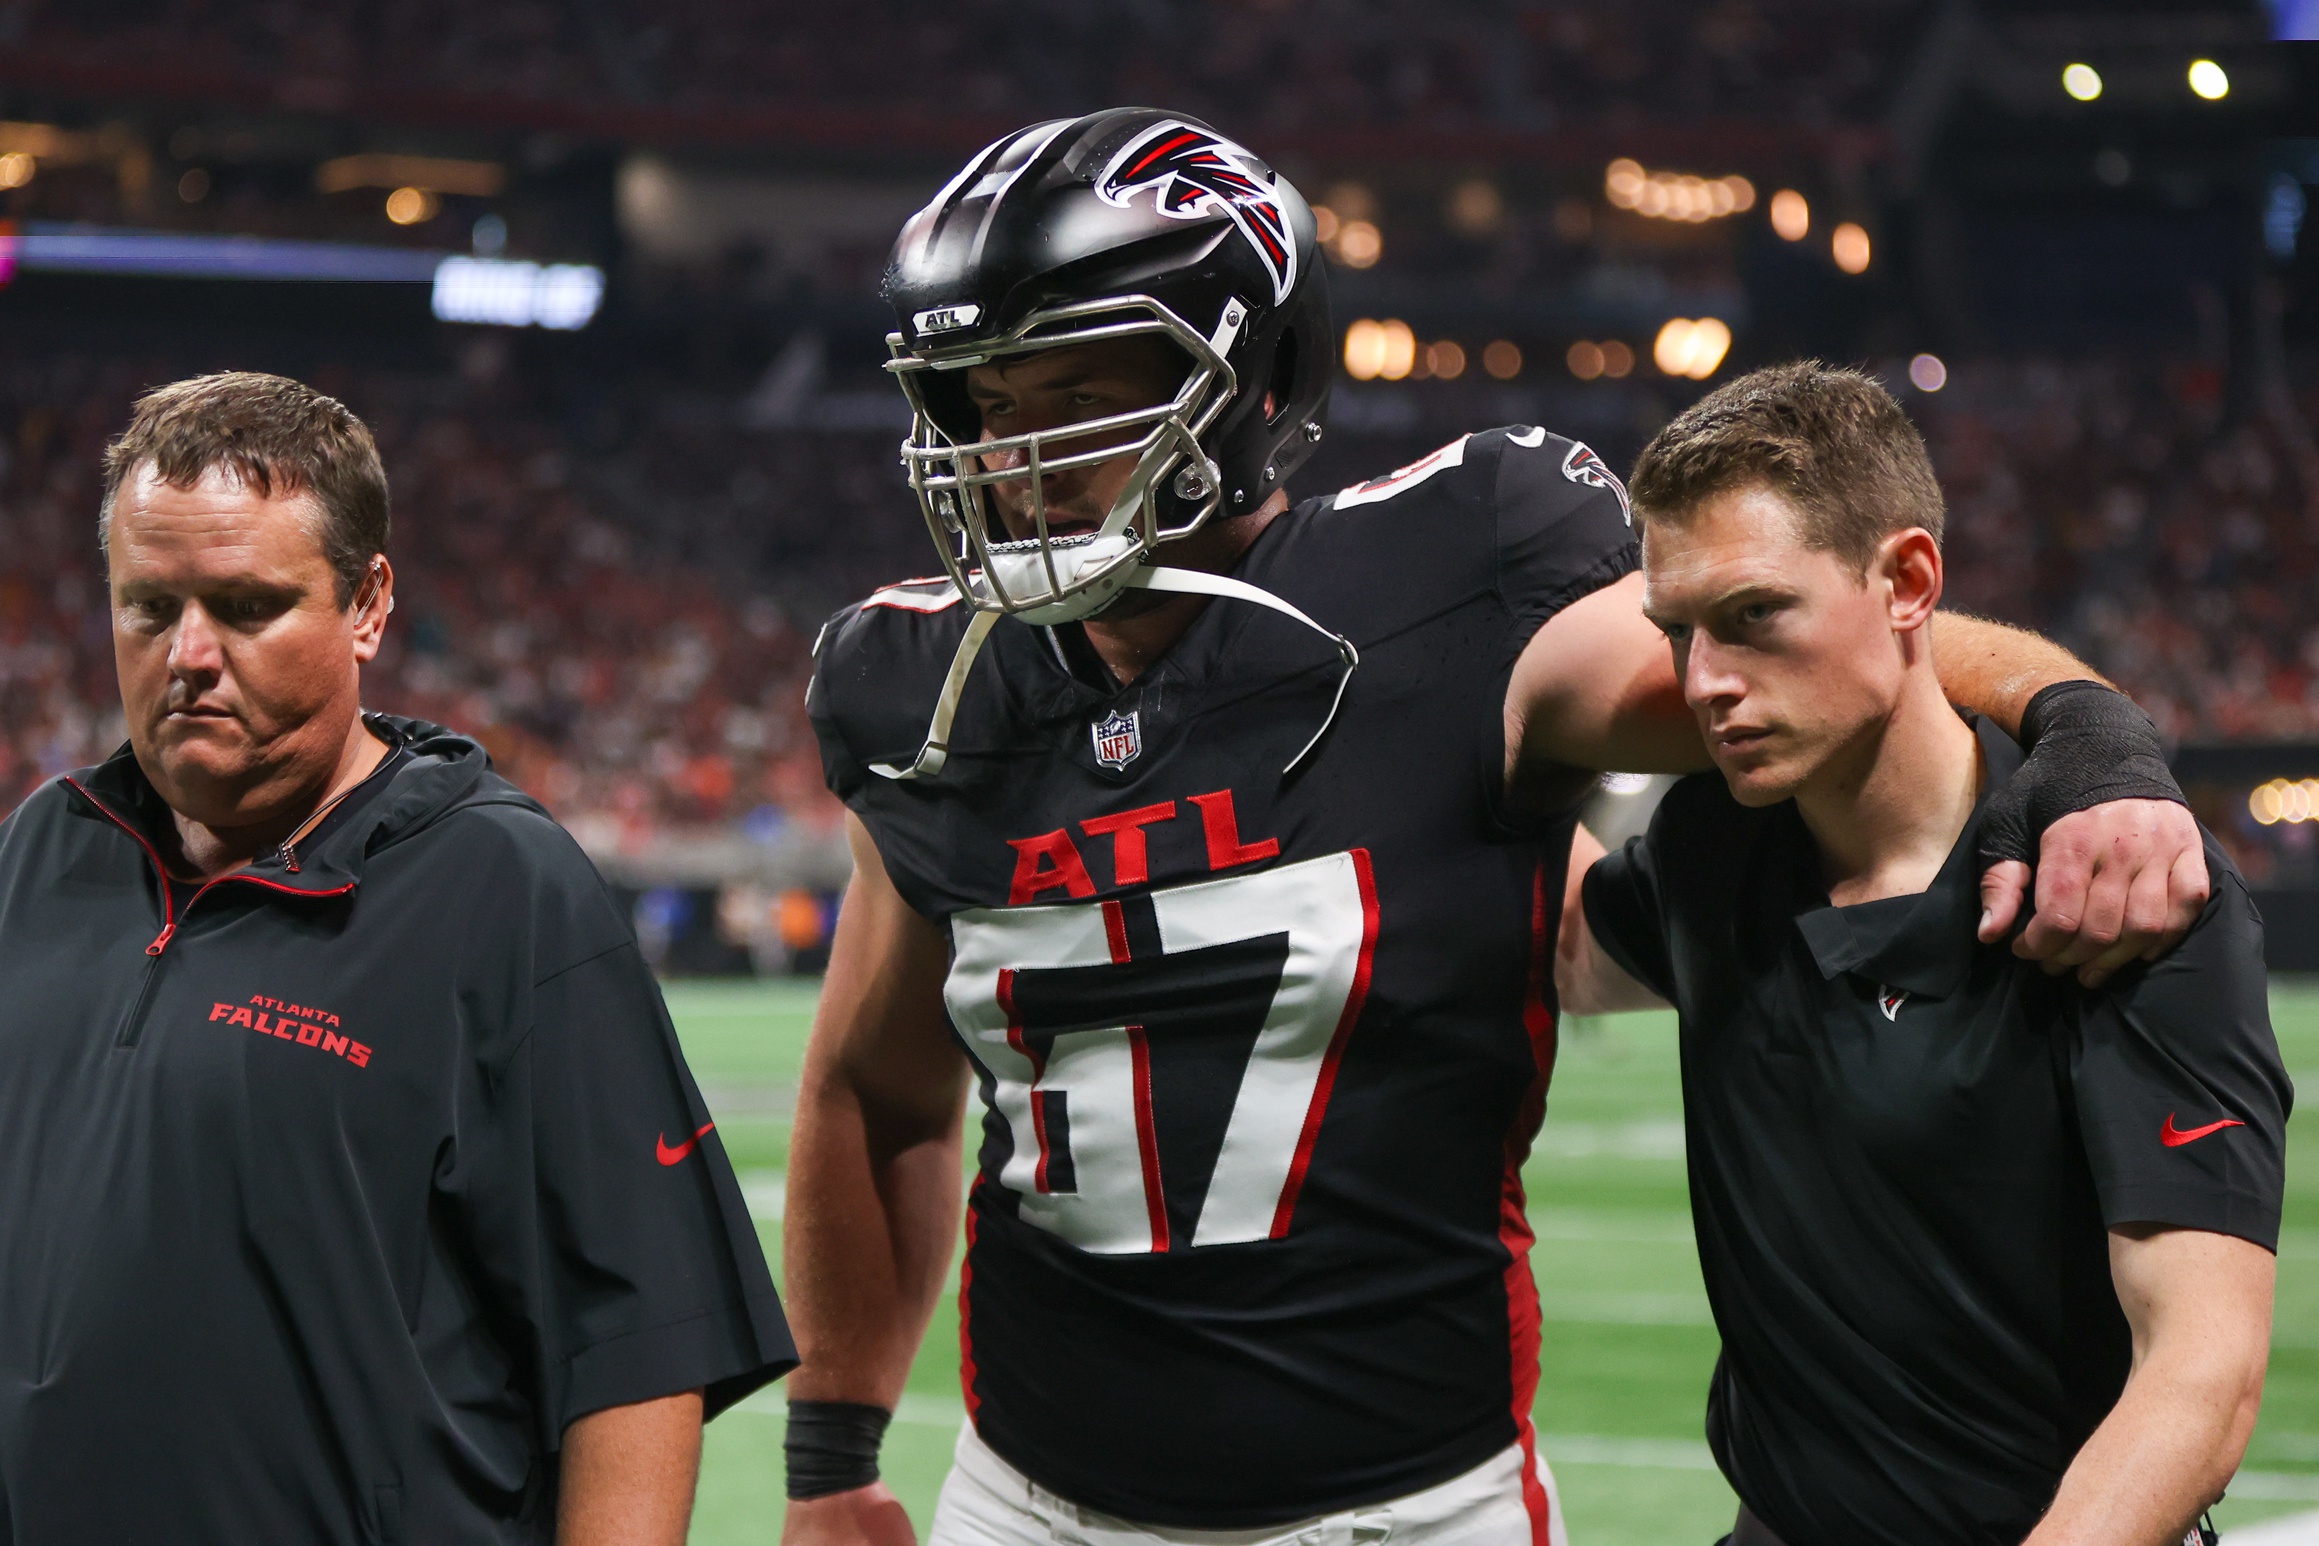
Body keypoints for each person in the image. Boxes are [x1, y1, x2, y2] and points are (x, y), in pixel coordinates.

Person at [787, 109, 2211, 1545]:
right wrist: (832, 1454)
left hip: (1397, 1508)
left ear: (1240, 375)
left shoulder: (1450, 580)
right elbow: (873, 1087)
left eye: (1072, 392)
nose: (1007, 453)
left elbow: (1814, 649)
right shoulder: (914, 688)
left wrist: (2081, 723)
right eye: (978, 400)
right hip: (1019, 1499)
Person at [0, 372, 796, 1544]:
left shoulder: (500, 889)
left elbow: (635, 1354)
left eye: (247, 604)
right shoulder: (42, 853)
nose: (188, 654)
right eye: (148, 605)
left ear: (368, 605)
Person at [1556, 362, 2287, 1546]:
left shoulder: (2118, 891)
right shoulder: (1709, 846)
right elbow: (1562, 946)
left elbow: (2199, 1382)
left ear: (1907, 582)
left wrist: (2083, 716)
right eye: (1678, 633)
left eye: (1753, 616)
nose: (1705, 686)